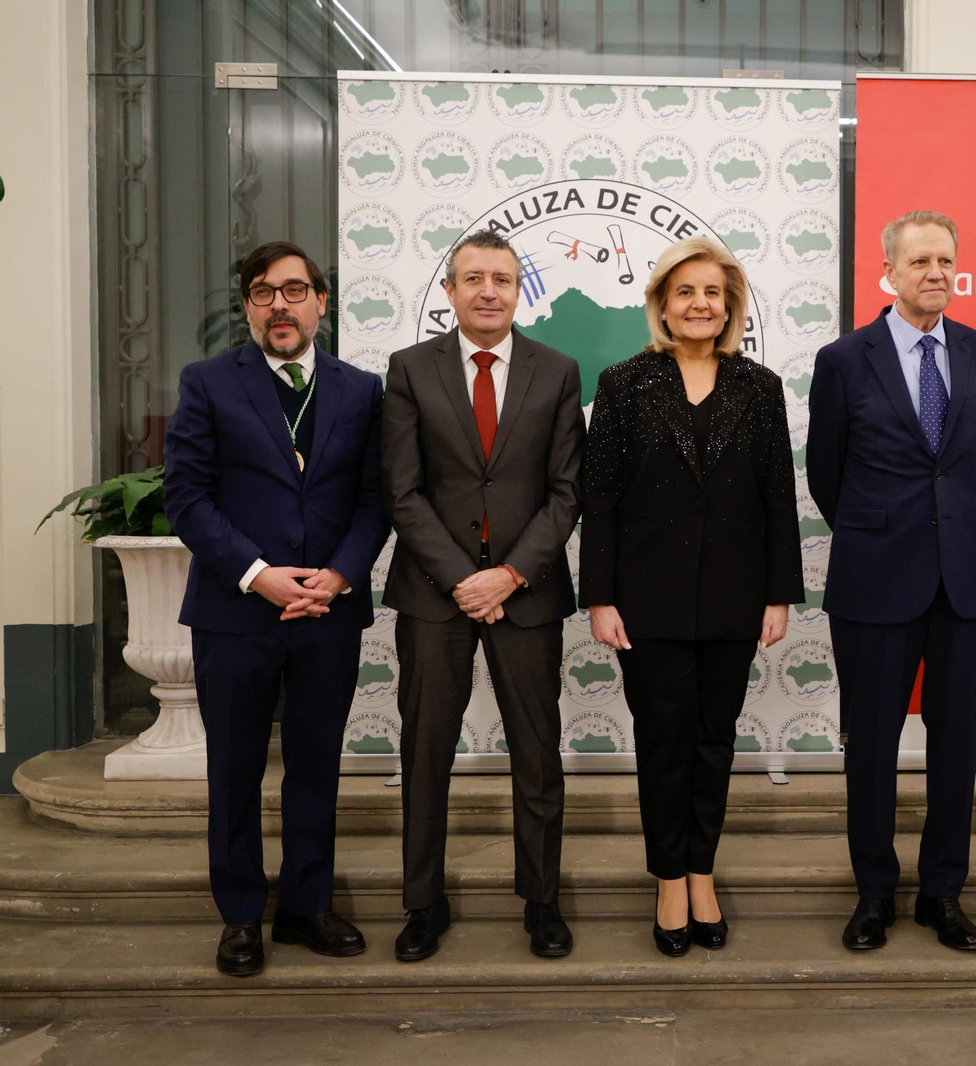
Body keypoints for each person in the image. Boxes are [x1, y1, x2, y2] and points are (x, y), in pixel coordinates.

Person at [164, 241, 388, 977]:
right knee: (234, 770)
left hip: (328, 612)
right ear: (248, 306)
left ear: (322, 301)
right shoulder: (207, 383)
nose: (279, 305)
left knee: (315, 766)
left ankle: (305, 905)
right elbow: (186, 498)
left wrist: (340, 575)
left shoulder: (362, 390)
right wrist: (258, 575)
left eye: (294, 290)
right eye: (263, 292)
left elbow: (375, 499)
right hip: (235, 614)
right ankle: (239, 916)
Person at [580, 235, 803, 957]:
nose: (700, 304)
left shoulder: (760, 386)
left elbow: (777, 496)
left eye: (712, 292)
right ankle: (668, 879)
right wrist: (600, 598)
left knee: (713, 742)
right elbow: (599, 497)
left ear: (729, 306)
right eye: (686, 292)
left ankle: (702, 872)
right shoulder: (622, 383)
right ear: (663, 305)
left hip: (737, 596)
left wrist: (779, 594)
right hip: (647, 600)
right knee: (663, 743)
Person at [807, 210, 976, 952]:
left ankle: (942, 893)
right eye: (920, 260)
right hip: (874, 579)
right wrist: (882, 529)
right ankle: (873, 894)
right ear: (888, 271)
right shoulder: (843, 359)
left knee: (956, 745)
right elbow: (826, 472)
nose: (936, 272)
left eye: (946, 260)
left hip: (964, 580)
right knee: (871, 746)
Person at [381, 229, 585, 962]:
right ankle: (423, 904)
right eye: (474, 278)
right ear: (450, 290)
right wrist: (463, 579)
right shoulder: (410, 369)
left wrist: (510, 574)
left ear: (519, 290)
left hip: (526, 594)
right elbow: (402, 491)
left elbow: (567, 491)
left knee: (538, 754)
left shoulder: (557, 371)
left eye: (502, 279)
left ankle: (542, 902)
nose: (489, 291)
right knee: (425, 754)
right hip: (434, 595)